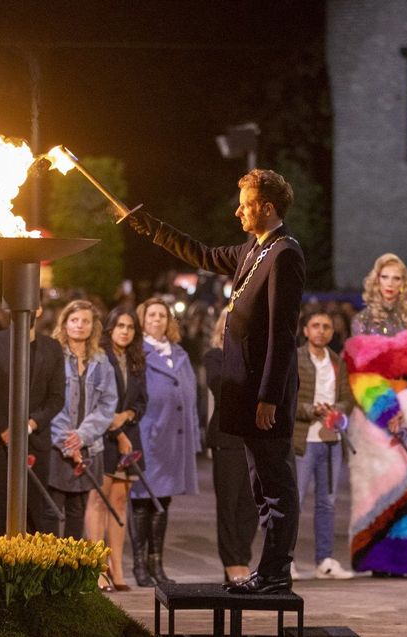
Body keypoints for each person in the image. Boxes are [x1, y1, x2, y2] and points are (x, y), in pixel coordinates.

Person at [127, 168, 304, 594]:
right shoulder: (251, 250)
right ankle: (268, 569)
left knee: (276, 485)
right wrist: (145, 224)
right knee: (262, 486)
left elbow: (282, 335)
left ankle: (277, 572)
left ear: (266, 207)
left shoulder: (284, 254)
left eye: (245, 203)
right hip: (245, 394)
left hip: (266, 398)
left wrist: (269, 399)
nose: (237, 210)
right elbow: (202, 254)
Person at [344, 253, 407, 576]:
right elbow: (361, 375)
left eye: (396, 279)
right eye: (385, 278)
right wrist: (387, 412)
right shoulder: (362, 322)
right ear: (376, 281)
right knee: (377, 487)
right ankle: (377, 557)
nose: (390, 285)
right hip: (375, 420)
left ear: (403, 285)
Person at [130, 297, 201, 586]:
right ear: (142, 320)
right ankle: (138, 565)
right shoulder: (138, 352)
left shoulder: (180, 353)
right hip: (148, 435)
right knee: (142, 500)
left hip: (174, 437)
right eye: (151, 315)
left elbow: (192, 397)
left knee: (164, 500)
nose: (157, 320)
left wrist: (194, 436)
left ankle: (156, 563)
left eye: (162, 315)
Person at [0, 304, 66, 535]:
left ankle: (34, 569)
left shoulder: (52, 347)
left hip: (36, 442)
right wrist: (2, 429)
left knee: (36, 515)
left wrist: (30, 425)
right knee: (1, 514)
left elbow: (56, 397)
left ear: (39, 310)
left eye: (33, 304)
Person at [86, 306, 147, 592]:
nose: (125, 331)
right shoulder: (100, 357)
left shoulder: (136, 360)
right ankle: (98, 569)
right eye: (120, 325)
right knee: (99, 500)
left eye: (130, 327)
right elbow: (97, 399)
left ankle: (118, 568)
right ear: (110, 328)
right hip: (104, 437)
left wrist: (129, 416)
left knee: (120, 503)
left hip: (129, 436)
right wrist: (117, 427)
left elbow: (142, 401)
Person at [47, 300, 118, 540]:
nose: (80, 325)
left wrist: (82, 436)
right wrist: (68, 441)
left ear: (93, 326)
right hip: (56, 447)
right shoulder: (52, 355)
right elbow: (49, 401)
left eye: (85, 321)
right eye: (74, 320)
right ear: (64, 323)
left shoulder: (102, 360)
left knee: (77, 511)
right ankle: (48, 571)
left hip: (88, 448)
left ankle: (70, 573)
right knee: (52, 511)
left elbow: (108, 404)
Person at [293, 310, 355, 580]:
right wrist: (310, 410)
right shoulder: (294, 359)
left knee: (327, 503)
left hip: (330, 441)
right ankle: (286, 561)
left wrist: (334, 410)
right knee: (294, 501)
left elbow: (347, 399)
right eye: (315, 326)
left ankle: (325, 560)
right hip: (303, 440)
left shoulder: (338, 362)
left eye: (326, 326)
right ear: (305, 330)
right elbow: (287, 400)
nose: (321, 330)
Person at [204, 311, 258, 586]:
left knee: (251, 506)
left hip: (254, 440)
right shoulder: (215, 356)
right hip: (226, 440)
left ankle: (244, 558)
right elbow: (222, 387)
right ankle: (231, 561)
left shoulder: (256, 357)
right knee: (229, 504)